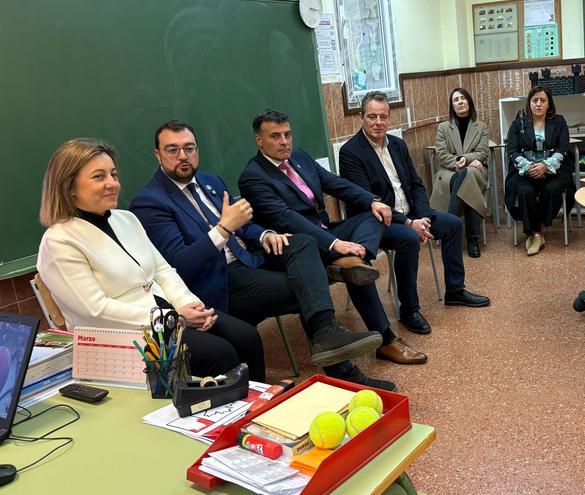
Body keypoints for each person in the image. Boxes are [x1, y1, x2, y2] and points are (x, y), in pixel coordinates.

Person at [130, 121, 394, 390]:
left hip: (250, 258)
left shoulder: (209, 180)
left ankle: (327, 331)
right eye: (173, 150)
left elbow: (244, 223)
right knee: (307, 285)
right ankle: (343, 369)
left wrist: (265, 234)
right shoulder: (150, 202)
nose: (183, 156)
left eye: (189, 148)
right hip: (218, 282)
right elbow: (181, 266)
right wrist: (223, 229)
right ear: (158, 155)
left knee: (302, 243)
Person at [36, 138, 266, 381]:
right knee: (219, 354)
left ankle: (260, 410)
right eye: (99, 177)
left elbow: (162, 270)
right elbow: (96, 311)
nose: (112, 184)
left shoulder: (126, 219)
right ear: (69, 186)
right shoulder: (59, 241)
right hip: (120, 336)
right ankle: (229, 416)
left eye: (113, 174)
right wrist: (175, 319)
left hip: (168, 315)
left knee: (246, 336)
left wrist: (190, 305)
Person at [238, 109, 428, 365]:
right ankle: (386, 339)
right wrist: (335, 244)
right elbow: (286, 218)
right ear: (259, 140)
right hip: (298, 247)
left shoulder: (300, 157)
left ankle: (351, 261)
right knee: (354, 263)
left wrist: (372, 201)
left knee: (375, 216)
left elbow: (334, 183)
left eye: (287, 134)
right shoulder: (253, 176)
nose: (284, 141)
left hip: (326, 233)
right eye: (275, 136)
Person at [339, 91, 490, 335]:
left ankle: (454, 290)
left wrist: (424, 218)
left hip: (414, 215)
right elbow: (365, 201)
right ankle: (409, 309)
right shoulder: (350, 152)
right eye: (372, 117)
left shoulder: (397, 145)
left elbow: (417, 185)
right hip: (379, 222)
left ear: (389, 118)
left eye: (383, 117)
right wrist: (410, 223)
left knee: (452, 224)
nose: (378, 122)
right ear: (361, 117)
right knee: (409, 239)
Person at [504, 85, 574, 256]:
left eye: (543, 100)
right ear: (529, 103)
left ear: (549, 104)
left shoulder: (559, 122)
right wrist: (529, 167)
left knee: (552, 189)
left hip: (553, 170)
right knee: (524, 190)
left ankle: (536, 229)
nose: (538, 104)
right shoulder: (518, 124)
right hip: (525, 171)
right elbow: (512, 150)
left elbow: (563, 148)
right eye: (535, 100)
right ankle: (536, 233)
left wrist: (546, 166)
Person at [430, 87, 490, 258]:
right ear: (452, 106)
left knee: (468, 176)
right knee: (466, 179)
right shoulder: (443, 128)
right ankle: (473, 239)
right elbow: (441, 155)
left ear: (469, 102)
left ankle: (448, 225)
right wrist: (459, 163)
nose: (460, 102)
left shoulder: (481, 127)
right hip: (450, 171)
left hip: (476, 171)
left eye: (463, 98)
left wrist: (466, 158)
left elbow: (482, 152)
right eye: (456, 100)